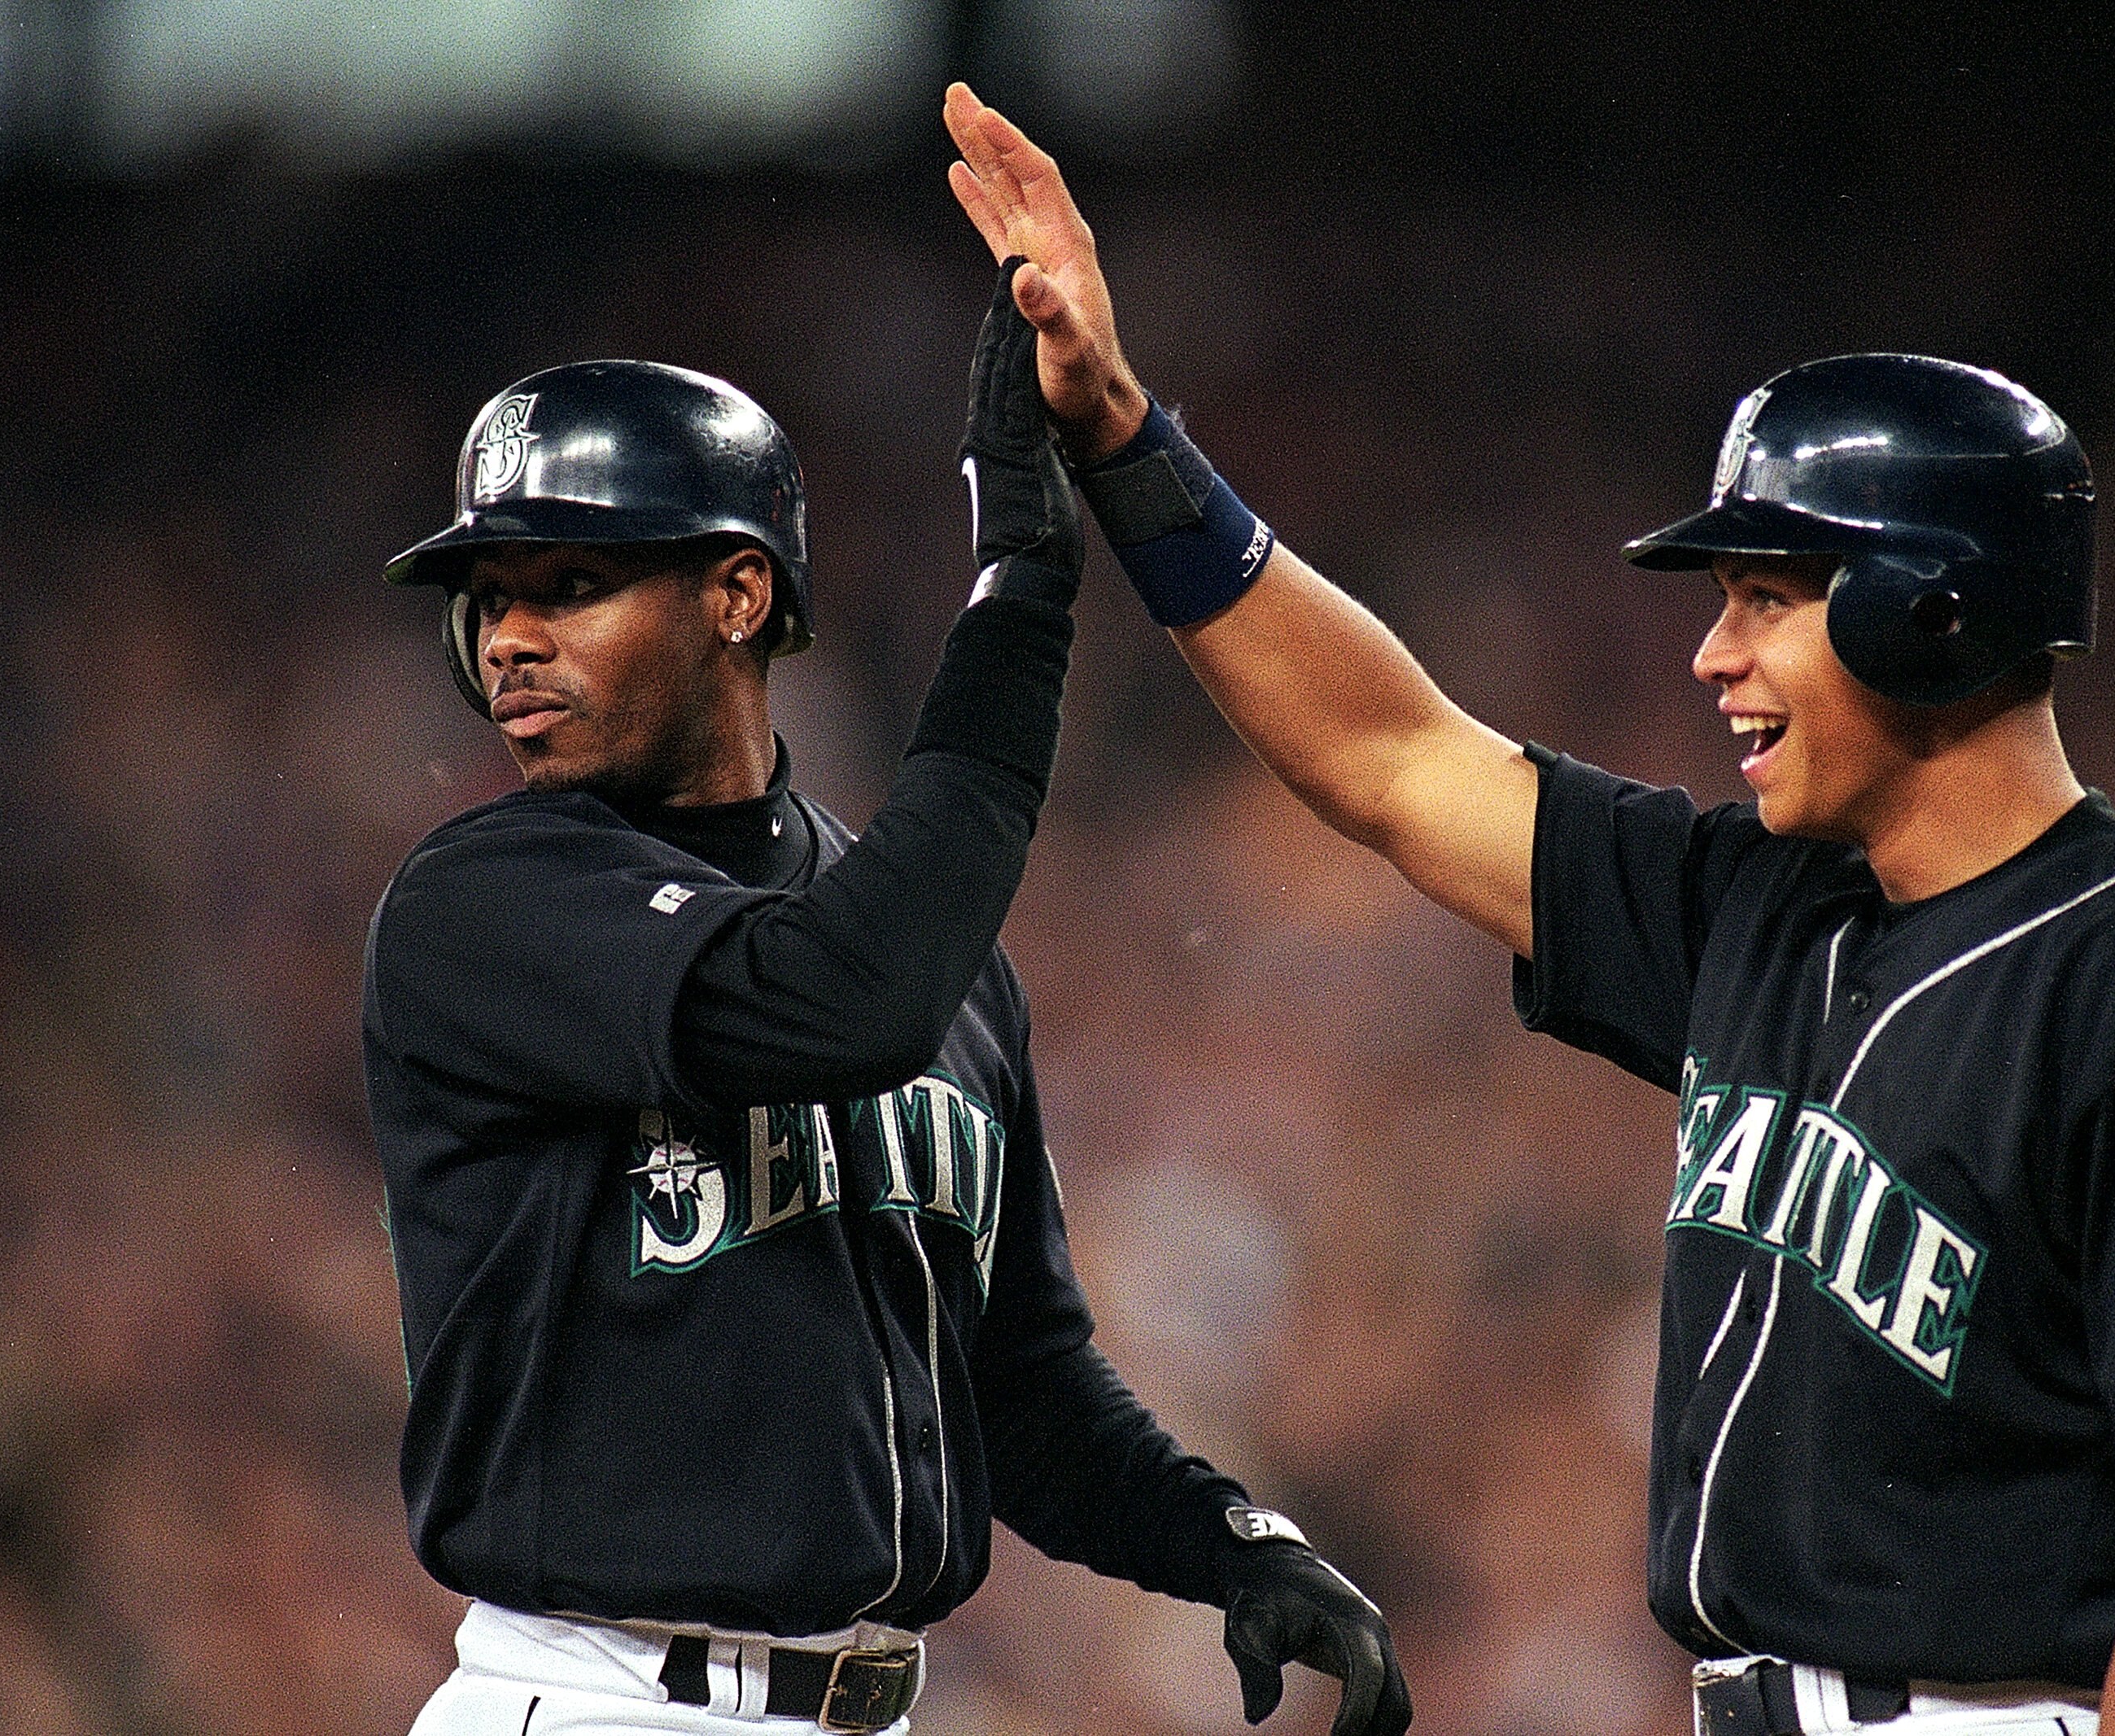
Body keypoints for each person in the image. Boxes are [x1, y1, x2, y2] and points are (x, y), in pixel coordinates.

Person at [942, 83, 2115, 1736]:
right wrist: (1121, 428)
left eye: (1766, 598)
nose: (1713, 656)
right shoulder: (1755, 906)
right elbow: (1392, 758)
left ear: (1928, 610)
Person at [362, 268, 1411, 1736]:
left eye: (569, 586)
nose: (508, 639)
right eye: (488, 599)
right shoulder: (485, 904)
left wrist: (1226, 1542)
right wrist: (1023, 583)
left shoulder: (938, 964)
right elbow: (839, 1008)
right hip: (599, 1697)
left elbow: (1017, 1382)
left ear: (739, 593)